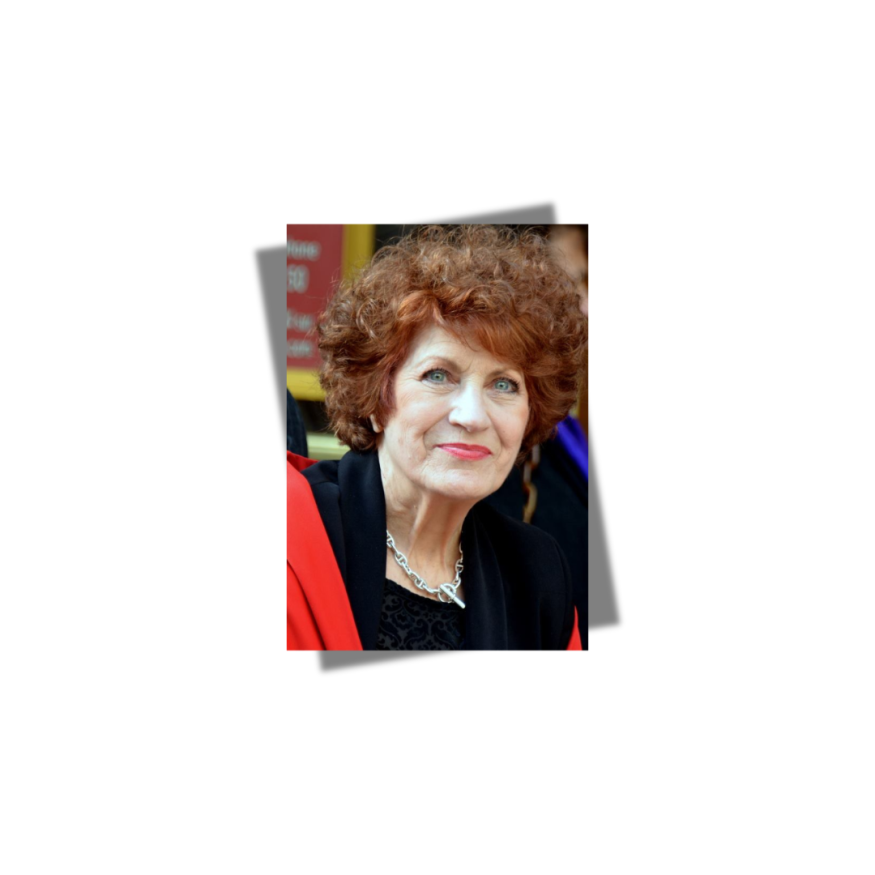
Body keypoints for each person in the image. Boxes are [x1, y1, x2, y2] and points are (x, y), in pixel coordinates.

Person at [287, 225, 588, 650]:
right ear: (374, 397)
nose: (472, 416)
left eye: (504, 384)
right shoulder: (291, 531)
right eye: (438, 376)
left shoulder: (539, 577)